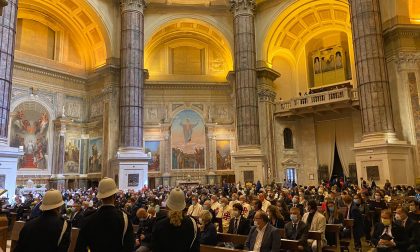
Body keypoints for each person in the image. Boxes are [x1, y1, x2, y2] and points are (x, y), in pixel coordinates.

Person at [75, 178, 134, 252]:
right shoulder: (124, 218)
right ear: (115, 195)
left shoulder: (88, 218)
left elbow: (80, 247)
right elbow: (129, 247)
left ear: (100, 197)